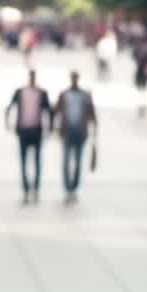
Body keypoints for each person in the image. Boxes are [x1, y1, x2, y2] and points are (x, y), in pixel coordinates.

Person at [6, 69, 53, 205]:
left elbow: (48, 111)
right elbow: (10, 107)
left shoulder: (41, 93)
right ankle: (27, 188)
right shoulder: (20, 92)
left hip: (36, 131)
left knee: (37, 161)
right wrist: (8, 123)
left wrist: (49, 128)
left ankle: (36, 188)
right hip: (23, 130)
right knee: (24, 161)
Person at [54, 71, 97, 204]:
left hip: (80, 132)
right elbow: (56, 111)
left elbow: (92, 113)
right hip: (67, 132)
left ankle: (74, 188)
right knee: (66, 162)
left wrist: (95, 131)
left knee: (78, 162)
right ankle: (68, 188)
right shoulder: (64, 94)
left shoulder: (85, 95)